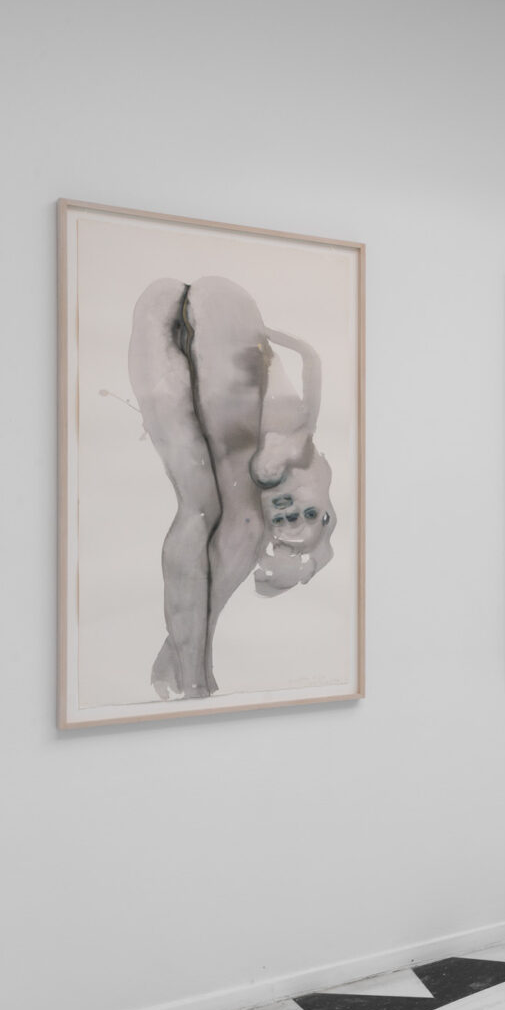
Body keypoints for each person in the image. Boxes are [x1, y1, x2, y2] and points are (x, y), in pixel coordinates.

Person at [128, 276, 335, 700]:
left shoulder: (288, 459)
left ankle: (188, 670)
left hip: (161, 311)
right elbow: (312, 361)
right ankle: (187, 671)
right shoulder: (300, 456)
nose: (288, 513)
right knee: (237, 520)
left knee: (198, 510)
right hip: (225, 310)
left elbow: (311, 360)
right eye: (307, 514)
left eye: (289, 522)